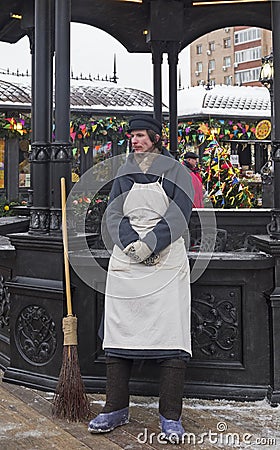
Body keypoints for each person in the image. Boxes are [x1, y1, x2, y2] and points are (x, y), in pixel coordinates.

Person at [88, 114, 194, 442]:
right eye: (132, 136)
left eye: (141, 136)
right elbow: (114, 213)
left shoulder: (176, 171)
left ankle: (170, 416)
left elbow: (180, 212)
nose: (135, 140)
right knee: (120, 332)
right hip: (127, 260)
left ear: (155, 138)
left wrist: (151, 244)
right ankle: (116, 407)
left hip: (166, 259)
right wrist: (131, 243)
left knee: (171, 335)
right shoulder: (123, 172)